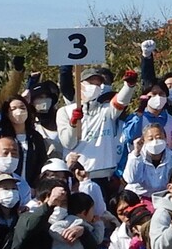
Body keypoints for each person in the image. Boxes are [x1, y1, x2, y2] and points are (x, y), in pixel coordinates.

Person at [55, 67, 137, 199]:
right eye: (91, 83)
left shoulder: (106, 110)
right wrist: (73, 123)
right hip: (79, 177)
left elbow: (120, 101)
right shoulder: (64, 111)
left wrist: (129, 86)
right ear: (79, 85)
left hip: (105, 178)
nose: (95, 87)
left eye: (98, 84)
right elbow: (68, 143)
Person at [0, 97, 48, 188]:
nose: (19, 111)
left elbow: (41, 161)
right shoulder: (1, 136)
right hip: (8, 186)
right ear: (7, 113)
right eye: (13, 109)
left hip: (31, 188)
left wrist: (35, 186)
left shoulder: (35, 137)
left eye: (22, 108)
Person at [123, 123, 172, 198]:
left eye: (158, 138)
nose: (155, 142)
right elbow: (131, 179)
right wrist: (137, 153)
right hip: (138, 196)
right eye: (150, 139)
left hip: (162, 197)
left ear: (165, 138)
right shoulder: (136, 156)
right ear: (143, 141)